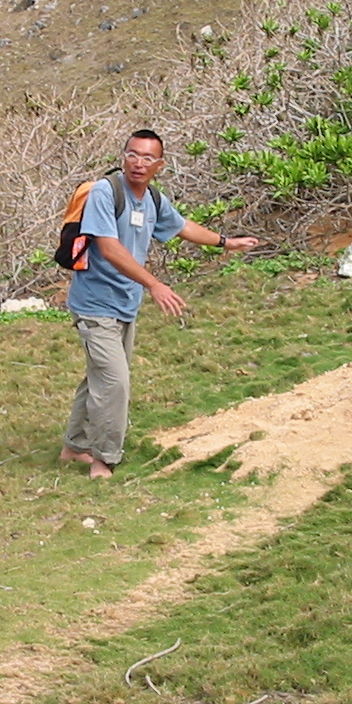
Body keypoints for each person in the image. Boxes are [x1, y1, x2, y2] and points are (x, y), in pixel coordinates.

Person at [62, 129, 258, 478]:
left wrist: (226, 242)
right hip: (95, 304)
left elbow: (182, 226)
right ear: (123, 156)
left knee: (102, 376)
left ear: (160, 165)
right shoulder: (107, 192)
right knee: (115, 381)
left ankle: (73, 446)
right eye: (133, 154)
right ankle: (104, 459)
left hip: (124, 304)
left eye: (148, 158)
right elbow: (109, 247)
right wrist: (154, 284)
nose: (139, 163)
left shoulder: (151, 199)